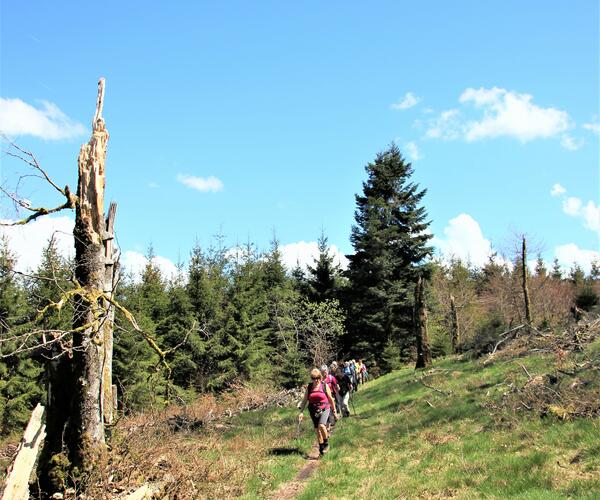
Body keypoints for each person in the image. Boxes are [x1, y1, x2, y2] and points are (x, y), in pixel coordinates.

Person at [298, 368, 338, 455]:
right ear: (311, 378)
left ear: (320, 377)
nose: (316, 380)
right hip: (313, 410)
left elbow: (330, 399)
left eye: (317, 378)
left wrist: (334, 411)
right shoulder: (309, 387)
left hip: (325, 408)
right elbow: (305, 400)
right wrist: (301, 412)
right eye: (313, 378)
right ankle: (321, 448)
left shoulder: (324, 385)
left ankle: (326, 443)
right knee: (317, 430)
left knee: (321, 425)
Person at [321, 364, 340, 429]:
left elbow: (336, 384)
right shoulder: (321, 380)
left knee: (333, 408)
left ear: (327, 371)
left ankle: (335, 417)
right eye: (323, 372)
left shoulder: (331, 377)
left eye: (325, 371)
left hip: (332, 395)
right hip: (325, 397)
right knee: (328, 410)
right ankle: (330, 424)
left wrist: (338, 388)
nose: (324, 373)